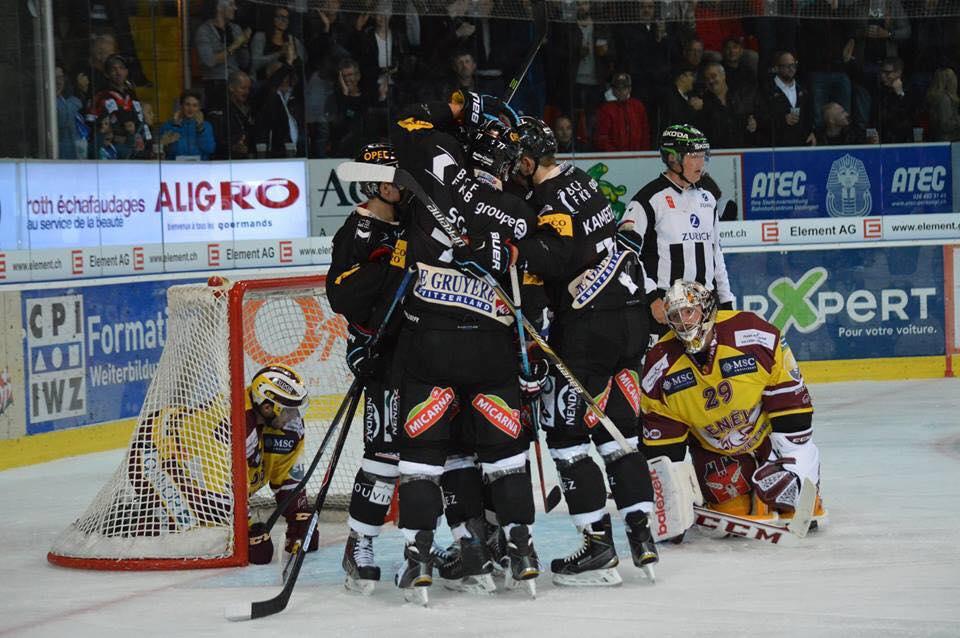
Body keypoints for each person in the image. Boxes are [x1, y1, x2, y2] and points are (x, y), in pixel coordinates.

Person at [386, 92, 549, 604]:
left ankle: (418, 559)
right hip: (491, 350)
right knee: (505, 456)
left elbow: (404, 125)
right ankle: (521, 551)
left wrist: (459, 110)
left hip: (431, 344)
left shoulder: (437, 166)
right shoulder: (518, 210)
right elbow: (533, 282)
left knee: (421, 457)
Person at [512, 115, 659, 586]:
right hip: (629, 318)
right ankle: (642, 537)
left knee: (567, 437)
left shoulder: (544, 201)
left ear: (529, 162)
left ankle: (598, 547)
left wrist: (518, 246)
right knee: (620, 433)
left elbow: (552, 261)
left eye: (516, 161)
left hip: (588, 329)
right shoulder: (580, 181)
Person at [640, 280, 826, 527]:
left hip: (767, 440)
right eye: (675, 315)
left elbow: (793, 414)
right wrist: (670, 499)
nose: (684, 322)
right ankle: (746, 495)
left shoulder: (753, 333)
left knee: (796, 503)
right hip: (715, 450)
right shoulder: (659, 364)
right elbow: (664, 447)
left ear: (706, 309)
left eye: (689, 311)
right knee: (732, 513)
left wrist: (797, 474)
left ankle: (788, 484)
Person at [326, 143, 409, 594]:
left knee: (426, 454)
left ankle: (420, 542)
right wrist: (362, 341)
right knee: (385, 454)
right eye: (392, 178)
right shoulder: (358, 229)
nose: (401, 185)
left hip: (420, 352)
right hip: (383, 355)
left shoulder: (410, 220)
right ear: (374, 183)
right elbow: (342, 296)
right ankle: (360, 543)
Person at [620, 124, 735, 336]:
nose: (701, 163)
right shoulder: (648, 199)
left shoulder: (708, 198)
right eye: (694, 156)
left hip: (705, 306)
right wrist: (651, 298)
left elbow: (716, 254)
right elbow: (624, 254)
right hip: (666, 310)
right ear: (673, 158)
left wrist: (726, 300)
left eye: (703, 155)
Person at [245, 365, 320, 564]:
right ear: (267, 408)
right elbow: (219, 491)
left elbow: (287, 475)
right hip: (177, 485)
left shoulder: (288, 427)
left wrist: (297, 515)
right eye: (288, 411)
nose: (294, 417)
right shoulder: (236, 426)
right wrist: (244, 529)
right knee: (256, 552)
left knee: (305, 531)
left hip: (217, 493)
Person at [195, 0, 252, 111]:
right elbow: (209, 61)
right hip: (216, 80)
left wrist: (244, 45)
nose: (235, 8)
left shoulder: (235, 29)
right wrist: (235, 45)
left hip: (236, 80)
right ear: (220, 8)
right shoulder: (204, 31)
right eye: (231, 4)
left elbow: (245, 62)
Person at [758, 50, 816, 147]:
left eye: (793, 65)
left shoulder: (803, 88)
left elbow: (809, 114)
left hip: (801, 145)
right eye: (787, 66)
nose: (791, 69)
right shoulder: (766, 90)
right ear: (776, 68)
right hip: (776, 146)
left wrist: (811, 132)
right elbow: (761, 119)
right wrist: (782, 120)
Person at [592, 72, 651, 152]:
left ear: (630, 89)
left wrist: (643, 154)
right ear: (613, 90)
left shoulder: (638, 106)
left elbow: (645, 134)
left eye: (624, 88)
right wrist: (617, 155)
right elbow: (602, 137)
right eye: (618, 88)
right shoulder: (605, 109)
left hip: (637, 156)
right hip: (615, 157)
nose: (621, 91)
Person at [250, 5, 306, 82]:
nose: (284, 20)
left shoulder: (292, 40)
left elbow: (303, 61)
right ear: (273, 18)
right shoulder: (261, 37)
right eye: (281, 17)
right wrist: (280, 53)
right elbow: (255, 63)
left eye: (287, 18)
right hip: (264, 82)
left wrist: (295, 56)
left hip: (287, 83)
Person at [158, 90, 216, 160]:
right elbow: (169, 150)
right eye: (187, 104)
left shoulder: (206, 126)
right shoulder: (168, 125)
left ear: (199, 108)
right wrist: (176, 126)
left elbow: (210, 149)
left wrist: (200, 128)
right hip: (176, 165)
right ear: (181, 105)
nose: (190, 109)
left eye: (195, 105)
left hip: (199, 165)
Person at [925, 67, 960, 141]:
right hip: (948, 140)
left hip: (946, 139)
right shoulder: (944, 99)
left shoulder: (941, 98)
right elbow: (946, 125)